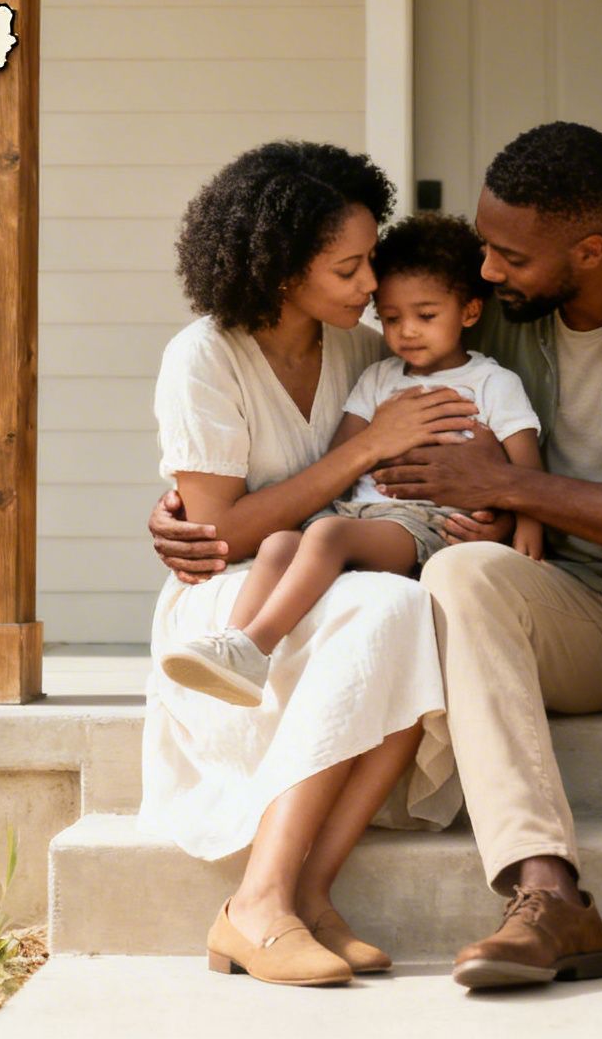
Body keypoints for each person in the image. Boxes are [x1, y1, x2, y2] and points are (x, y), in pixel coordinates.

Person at [150, 122, 602, 1010]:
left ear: (587, 250)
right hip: (546, 607)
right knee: (445, 583)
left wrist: (510, 489)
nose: (486, 275)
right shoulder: (472, 312)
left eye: (507, 258)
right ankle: (545, 895)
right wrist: (192, 518)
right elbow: (276, 467)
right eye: (480, 260)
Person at [143, 140, 476, 988]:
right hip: (235, 603)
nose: (373, 288)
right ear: (283, 270)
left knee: (406, 612)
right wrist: (365, 447)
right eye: (349, 268)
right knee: (386, 613)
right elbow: (223, 536)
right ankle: (256, 903)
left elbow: (408, 475)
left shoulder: (364, 354)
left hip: (339, 580)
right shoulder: (204, 359)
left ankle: (311, 897)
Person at [159, 212, 545, 708]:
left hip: (424, 523)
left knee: (325, 535)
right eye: (390, 318)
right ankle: (232, 646)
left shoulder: (494, 383)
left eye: (425, 317)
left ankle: (258, 646)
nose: (406, 331)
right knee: (280, 542)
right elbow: (341, 457)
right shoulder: (378, 375)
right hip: (354, 514)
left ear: (469, 312)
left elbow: (523, 464)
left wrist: (525, 522)